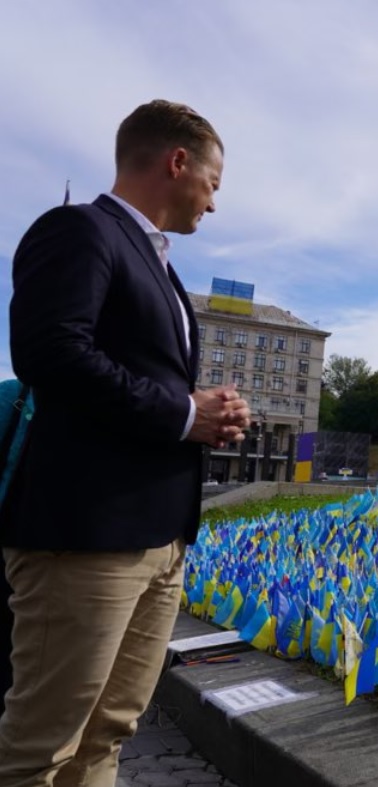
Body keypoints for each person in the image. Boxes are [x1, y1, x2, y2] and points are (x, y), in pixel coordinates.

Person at [0, 100, 251, 787]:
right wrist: (181, 411)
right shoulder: (79, 229)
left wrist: (205, 415)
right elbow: (49, 353)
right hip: (86, 536)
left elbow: (140, 382)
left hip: (157, 539)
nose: (214, 203)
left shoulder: (161, 266)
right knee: (42, 748)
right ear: (177, 163)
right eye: (214, 183)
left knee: (108, 730)